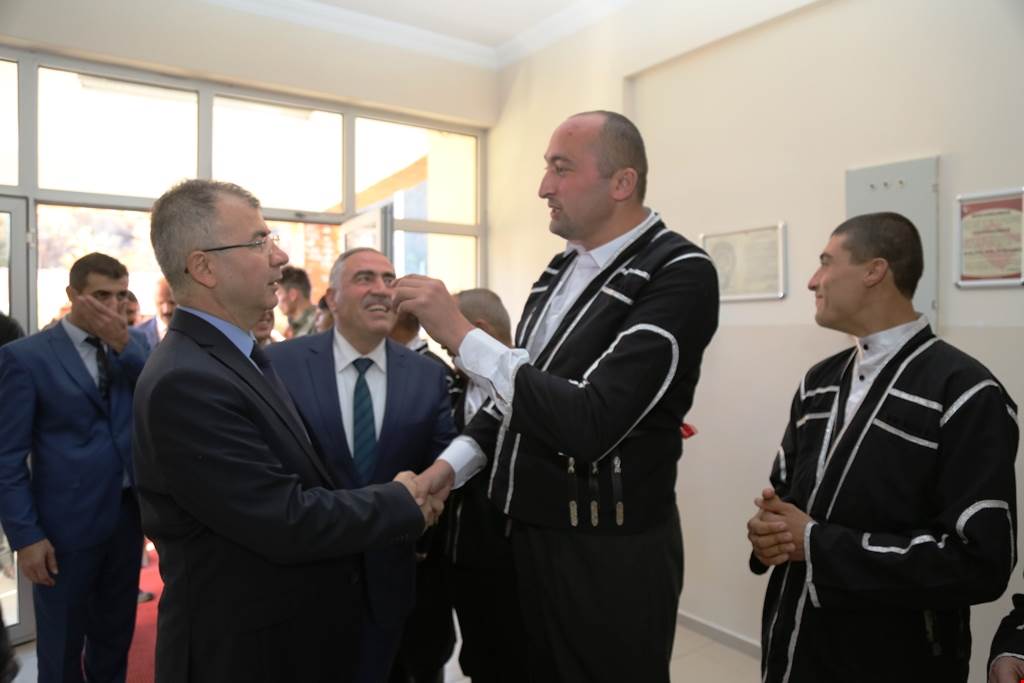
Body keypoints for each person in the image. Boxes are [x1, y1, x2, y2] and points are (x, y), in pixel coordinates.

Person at [395, 110, 719, 683]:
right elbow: (519, 399)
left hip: (607, 553)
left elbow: (593, 421)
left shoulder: (679, 272)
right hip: (525, 537)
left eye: (561, 169)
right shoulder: (560, 270)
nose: (544, 187)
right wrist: (449, 469)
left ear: (621, 183)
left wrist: (462, 334)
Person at [133, 179, 441, 683]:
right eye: (259, 242)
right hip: (240, 653)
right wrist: (400, 500)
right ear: (204, 267)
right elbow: (283, 518)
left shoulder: (237, 357)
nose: (280, 256)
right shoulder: (187, 380)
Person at [746, 212, 1018, 683]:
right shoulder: (819, 382)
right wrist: (767, 533)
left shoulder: (965, 392)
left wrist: (816, 543)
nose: (812, 281)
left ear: (874, 271)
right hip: (796, 646)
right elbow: (784, 499)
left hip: (897, 656)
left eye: (826, 262)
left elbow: (980, 562)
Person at [267, 247, 457, 683]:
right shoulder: (281, 365)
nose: (381, 290)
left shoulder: (427, 375)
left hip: (388, 586)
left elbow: (441, 460)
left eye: (389, 279)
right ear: (332, 298)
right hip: (303, 582)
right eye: (364, 278)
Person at [0, 252, 150, 683]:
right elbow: (7, 458)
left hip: (127, 518)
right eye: (101, 295)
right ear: (73, 295)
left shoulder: (134, 347)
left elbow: (160, 395)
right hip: (63, 528)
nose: (113, 306)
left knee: (115, 637)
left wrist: (124, 344)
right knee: (62, 645)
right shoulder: (26, 357)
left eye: (121, 295)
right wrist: (26, 537)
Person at [443, 288, 528, 683]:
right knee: (479, 659)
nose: (449, 357)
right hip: (464, 558)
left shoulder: (539, 387)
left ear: (479, 332)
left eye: (449, 346)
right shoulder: (451, 388)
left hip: (519, 563)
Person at [277, 265, 317, 338]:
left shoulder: (319, 325)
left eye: (279, 293)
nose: (276, 300)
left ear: (293, 295)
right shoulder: (292, 327)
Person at [134, 277, 176, 347]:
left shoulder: (193, 332)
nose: (166, 310)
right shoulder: (138, 334)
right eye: (160, 303)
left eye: (172, 303)